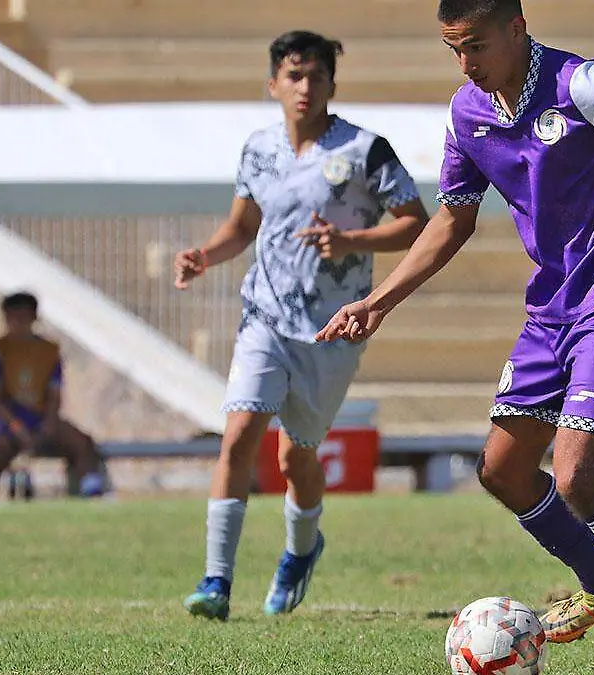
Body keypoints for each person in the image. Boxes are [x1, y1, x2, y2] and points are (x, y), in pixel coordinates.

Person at [317, 2, 594, 672]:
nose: (466, 64)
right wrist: (378, 301)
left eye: (475, 46)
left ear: (516, 29)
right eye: (454, 51)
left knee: (577, 477)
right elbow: (453, 217)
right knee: (502, 470)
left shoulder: (581, 86)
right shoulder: (468, 113)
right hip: (550, 307)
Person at [174, 30, 427, 621]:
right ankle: (216, 582)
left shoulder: (365, 150)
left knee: (295, 460)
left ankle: (300, 550)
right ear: (273, 85)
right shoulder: (258, 149)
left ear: (332, 85)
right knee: (238, 438)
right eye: (294, 76)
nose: (305, 87)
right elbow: (243, 225)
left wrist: (350, 240)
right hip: (264, 314)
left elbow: (416, 223)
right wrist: (206, 255)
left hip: (331, 327)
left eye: (316, 76)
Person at [0, 292, 107, 500]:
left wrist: (49, 422)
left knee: (81, 442)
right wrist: (17, 428)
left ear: (33, 318)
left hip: (38, 417)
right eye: (13, 317)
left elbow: (55, 394)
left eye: (24, 316)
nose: (18, 323)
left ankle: (93, 491)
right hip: (6, 419)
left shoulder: (48, 351)